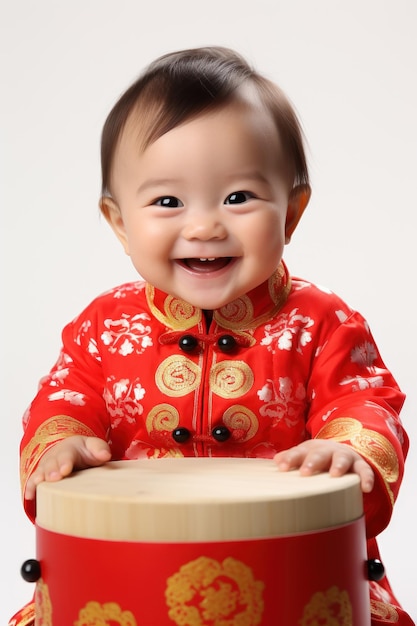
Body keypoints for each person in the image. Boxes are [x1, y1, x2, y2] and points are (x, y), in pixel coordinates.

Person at [10, 46, 413, 625]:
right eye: (168, 201)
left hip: (290, 577)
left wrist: (349, 448)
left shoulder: (321, 321)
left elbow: (366, 399)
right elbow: (65, 395)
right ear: (120, 223)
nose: (204, 225)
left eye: (239, 197)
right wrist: (61, 444)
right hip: (128, 577)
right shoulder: (104, 327)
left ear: (291, 214)